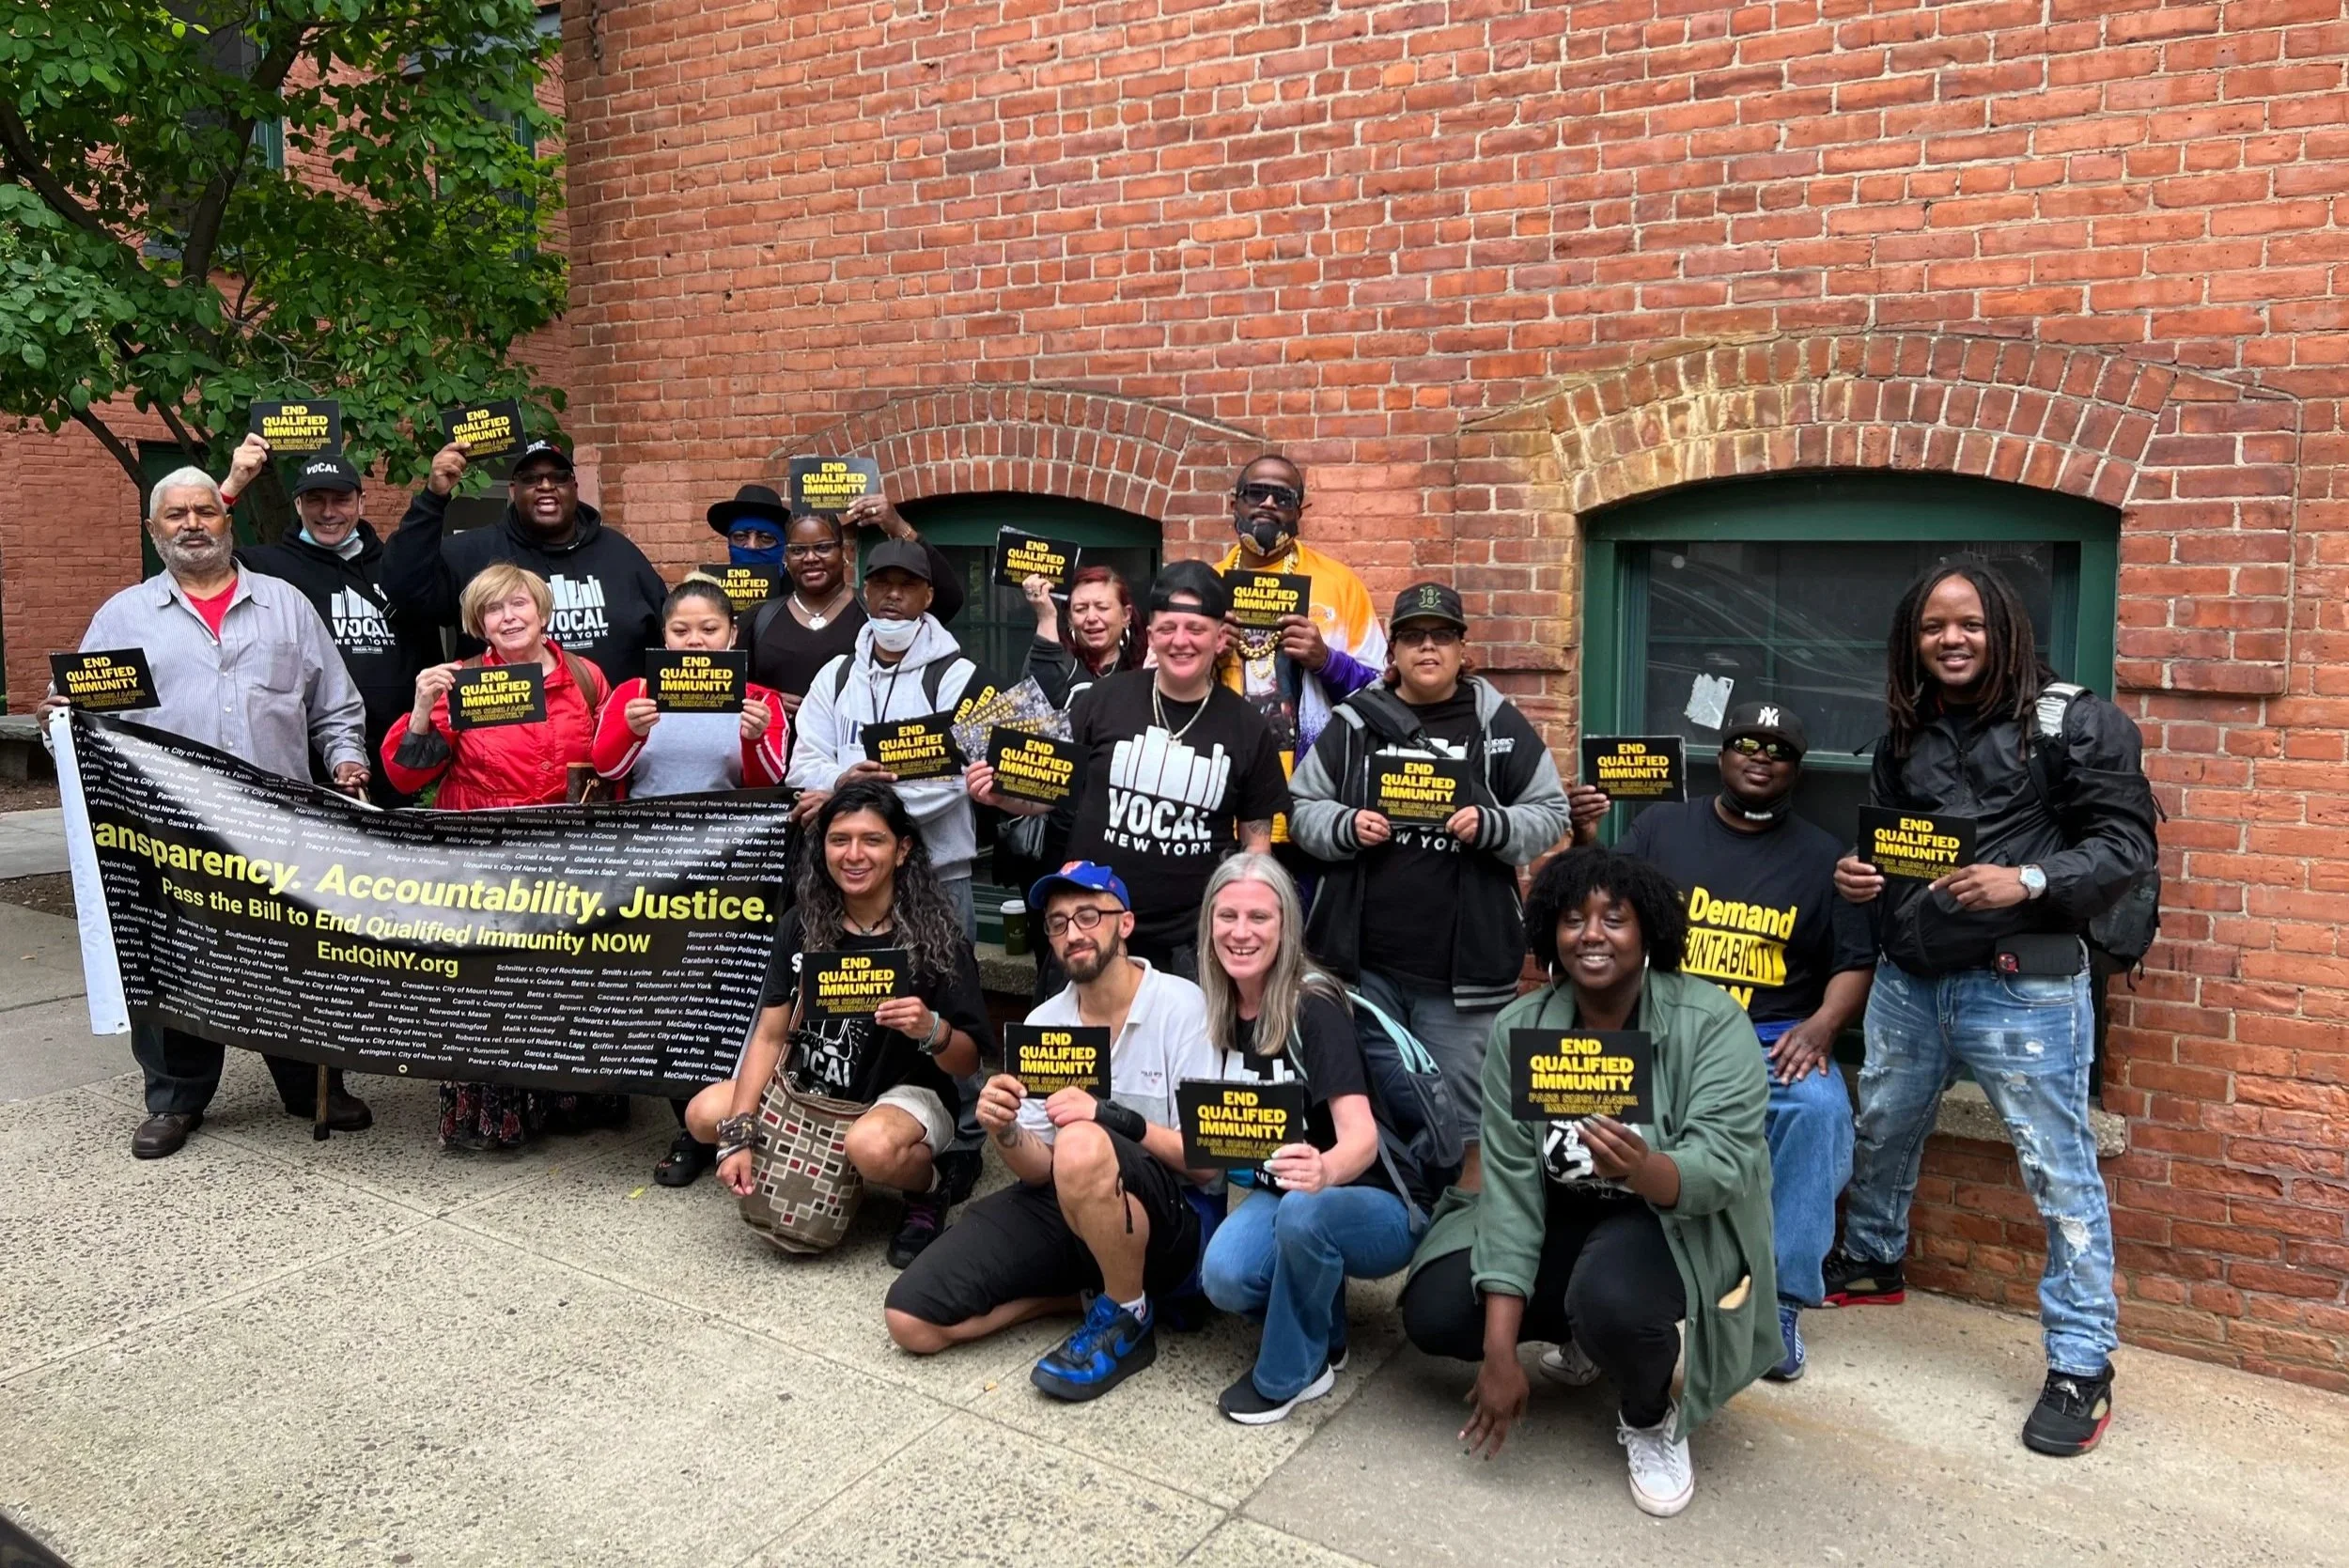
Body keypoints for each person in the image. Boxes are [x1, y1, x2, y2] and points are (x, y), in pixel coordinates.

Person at [1827, 557, 2158, 1459]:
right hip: (1909, 981)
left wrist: (2029, 878)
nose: (1951, 639)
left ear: (2004, 627)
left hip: (2024, 987)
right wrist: (1865, 880)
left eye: (1968, 622)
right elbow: (1894, 843)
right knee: (1884, 1128)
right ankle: (1872, 1258)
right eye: (1934, 625)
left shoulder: (2076, 724)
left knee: (2059, 1173)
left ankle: (2083, 1363)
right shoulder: (1907, 729)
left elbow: (2126, 846)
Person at [1399, 846, 1780, 1518]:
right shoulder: (1524, 1026)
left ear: (1650, 931)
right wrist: (1497, 1354)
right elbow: (1512, 1188)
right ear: (1551, 932)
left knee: (1614, 1299)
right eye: (1574, 918)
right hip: (1561, 1208)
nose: (1593, 933)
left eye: (1615, 917)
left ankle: (1648, 1415)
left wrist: (1644, 1166)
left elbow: (1725, 1164)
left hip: (1668, 1218)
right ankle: (1584, 1334)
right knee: (1435, 1308)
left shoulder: (1710, 1020)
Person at [48, 466, 373, 1158]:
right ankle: (175, 1097)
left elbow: (336, 706)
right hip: (165, 828)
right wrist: (59, 715)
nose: (192, 523)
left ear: (229, 522)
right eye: (176, 515)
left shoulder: (286, 605)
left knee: (295, 961)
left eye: (205, 510)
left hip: (277, 824)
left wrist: (348, 763)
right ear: (154, 531)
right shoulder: (122, 616)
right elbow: (74, 703)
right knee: (172, 959)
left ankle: (311, 1083)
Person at [1570, 701, 1872, 1383]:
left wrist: (1823, 1026)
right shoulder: (1660, 826)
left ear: (1797, 768)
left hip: (1771, 1036)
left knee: (1820, 1112)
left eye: (1778, 748)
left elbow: (1854, 962)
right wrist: (1587, 833)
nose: (1760, 756)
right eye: (1745, 742)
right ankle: (1585, 1294)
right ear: (1721, 753)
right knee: (1572, 1098)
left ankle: (1778, 1300)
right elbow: (1603, 910)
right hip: (1663, 1021)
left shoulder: (1823, 858)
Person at [882, 862, 1220, 1402]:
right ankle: (1085, 1297)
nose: (1073, 933)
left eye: (1089, 915)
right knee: (909, 1319)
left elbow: (1207, 1165)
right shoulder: (1044, 1022)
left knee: (1085, 1140)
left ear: (1125, 924)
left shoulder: (1185, 1007)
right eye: (1058, 923)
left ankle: (1128, 1317)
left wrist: (1109, 1118)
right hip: (1068, 1197)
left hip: (1170, 1212)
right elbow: (1040, 1169)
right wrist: (1006, 1130)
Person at [1288, 581, 1574, 1190]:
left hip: (1461, 980)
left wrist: (1492, 824)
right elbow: (1302, 806)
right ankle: (1392, 1230)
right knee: (1372, 1110)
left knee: (1466, 1123)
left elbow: (1550, 812)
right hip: (1361, 972)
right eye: (1413, 637)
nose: (1427, 648)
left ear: (1461, 649)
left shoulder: (1495, 722)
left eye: (1441, 636)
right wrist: (1344, 824)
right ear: (1393, 651)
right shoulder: (1355, 722)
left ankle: (1456, 1252)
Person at [687, 783, 991, 1267]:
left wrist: (930, 1028)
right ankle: (813, 1158)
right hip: (812, 1090)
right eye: (839, 839)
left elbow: (969, 1059)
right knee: (706, 1115)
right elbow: (769, 1035)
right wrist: (740, 1134)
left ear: (902, 850)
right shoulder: (801, 925)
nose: (854, 854)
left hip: (902, 1096)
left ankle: (927, 1190)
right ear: (822, 846)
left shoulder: (937, 937)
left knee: (871, 1147)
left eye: (872, 840)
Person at [379, 562, 628, 1150]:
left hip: (566, 855)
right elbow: (407, 778)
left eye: (519, 604)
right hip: (481, 857)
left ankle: (570, 1100)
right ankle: (492, 1115)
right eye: (494, 609)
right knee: (489, 989)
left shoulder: (588, 677)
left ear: (543, 612)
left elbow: (613, 761)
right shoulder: (461, 682)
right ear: (478, 623)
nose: (509, 617)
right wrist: (420, 709)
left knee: (561, 983)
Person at [968, 560, 1290, 981]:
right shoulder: (1102, 699)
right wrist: (1002, 795)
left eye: (1195, 628)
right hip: (1090, 930)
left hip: (1189, 946)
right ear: (1151, 634)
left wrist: (1245, 930)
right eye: (1168, 628)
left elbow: (1256, 848)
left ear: (1219, 636)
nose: (1181, 641)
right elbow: (1046, 794)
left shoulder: (1248, 726)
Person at [1195, 854, 1423, 1423]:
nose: (1241, 932)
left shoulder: (1313, 1004)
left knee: (1304, 1212)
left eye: (1259, 917)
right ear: (1209, 924)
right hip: (1287, 1193)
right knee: (1223, 1275)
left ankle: (1290, 1373)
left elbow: (1361, 1141)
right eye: (1227, 916)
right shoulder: (1221, 1008)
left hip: (1381, 1204)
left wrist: (1322, 1173)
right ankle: (1328, 1331)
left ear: (1286, 925)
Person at [591, 574, 790, 1190]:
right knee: (665, 1002)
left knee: (722, 1000)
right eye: (682, 631)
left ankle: (718, 1121)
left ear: (732, 634)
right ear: (664, 636)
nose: (696, 642)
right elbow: (606, 764)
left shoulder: (759, 697)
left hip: (734, 878)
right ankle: (688, 1121)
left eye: (709, 629)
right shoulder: (635, 691)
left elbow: (771, 785)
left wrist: (756, 739)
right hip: (651, 872)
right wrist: (631, 726)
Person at [225, 441, 440, 803]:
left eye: (340, 499)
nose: (328, 512)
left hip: (399, 761)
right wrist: (232, 485)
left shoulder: (396, 567)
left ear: (361, 502)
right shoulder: (266, 568)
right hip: (307, 768)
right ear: (298, 505)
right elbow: (196, 555)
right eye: (315, 500)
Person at [786, 538, 982, 932]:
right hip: (847, 883)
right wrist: (840, 781)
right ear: (864, 592)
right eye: (881, 583)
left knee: (941, 992)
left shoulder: (958, 677)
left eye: (907, 585)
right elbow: (803, 764)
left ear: (928, 596)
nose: (893, 594)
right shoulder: (836, 675)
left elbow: (955, 779)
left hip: (939, 877)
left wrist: (844, 801)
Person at [1212, 456, 1386, 877]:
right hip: (1221, 799)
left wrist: (1327, 661)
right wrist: (1208, 658)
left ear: (1300, 511)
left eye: (1284, 497)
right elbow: (1162, 684)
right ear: (1234, 503)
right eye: (1256, 493)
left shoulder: (1341, 585)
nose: (1268, 503)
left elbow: (1384, 696)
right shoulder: (1207, 586)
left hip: (1312, 802)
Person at [383, 436, 666, 687]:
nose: (545, 486)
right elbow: (404, 588)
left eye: (558, 477)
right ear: (512, 491)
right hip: (501, 735)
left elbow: (665, 637)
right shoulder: (475, 552)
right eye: (531, 479)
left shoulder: (620, 554)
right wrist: (433, 498)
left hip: (613, 735)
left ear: (574, 487)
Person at [739, 489, 966, 729]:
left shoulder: (875, 612)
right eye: (798, 550)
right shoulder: (760, 618)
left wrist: (898, 527)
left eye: (823, 547)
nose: (811, 558)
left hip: (857, 756)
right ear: (786, 556)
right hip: (778, 759)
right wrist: (765, 700)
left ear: (843, 551)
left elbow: (949, 598)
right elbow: (726, 689)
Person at [995, 564, 1144, 913]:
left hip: (1124, 832)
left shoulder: (1146, 670)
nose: (1091, 618)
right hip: (1056, 835)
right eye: (1080, 609)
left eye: (1102, 607)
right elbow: (1032, 709)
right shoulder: (1060, 662)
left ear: (1125, 615)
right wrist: (1046, 617)